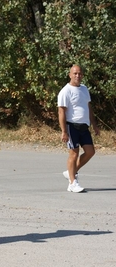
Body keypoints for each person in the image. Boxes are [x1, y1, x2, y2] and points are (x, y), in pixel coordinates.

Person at [57, 65, 100, 193]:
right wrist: (64, 131)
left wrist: (94, 125)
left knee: (90, 151)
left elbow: (88, 108)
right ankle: (72, 182)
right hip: (71, 126)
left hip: (84, 126)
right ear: (70, 75)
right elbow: (61, 112)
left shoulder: (84, 89)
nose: (77, 76)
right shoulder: (65, 91)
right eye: (75, 73)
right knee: (74, 153)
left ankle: (70, 172)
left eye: (80, 73)